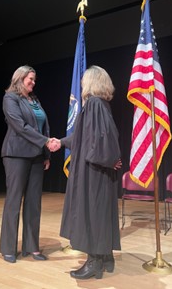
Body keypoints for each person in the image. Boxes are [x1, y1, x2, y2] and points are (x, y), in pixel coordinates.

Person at [48, 65, 122, 279]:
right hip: (100, 169)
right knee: (101, 212)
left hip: (93, 171)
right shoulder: (102, 105)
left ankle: (94, 262)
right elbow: (82, 137)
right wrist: (60, 142)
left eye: (84, 81)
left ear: (91, 82)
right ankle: (106, 256)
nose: (81, 84)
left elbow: (100, 141)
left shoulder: (94, 105)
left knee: (92, 212)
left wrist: (108, 159)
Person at [0, 65, 53, 263]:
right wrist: (45, 142)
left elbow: (43, 127)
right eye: (30, 78)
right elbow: (20, 127)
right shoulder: (10, 98)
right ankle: (8, 248)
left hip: (37, 156)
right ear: (20, 78)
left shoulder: (35, 100)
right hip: (16, 155)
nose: (33, 82)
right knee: (14, 201)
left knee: (33, 203)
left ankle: (32, 247)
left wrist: (46, 153)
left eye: (35, 79)